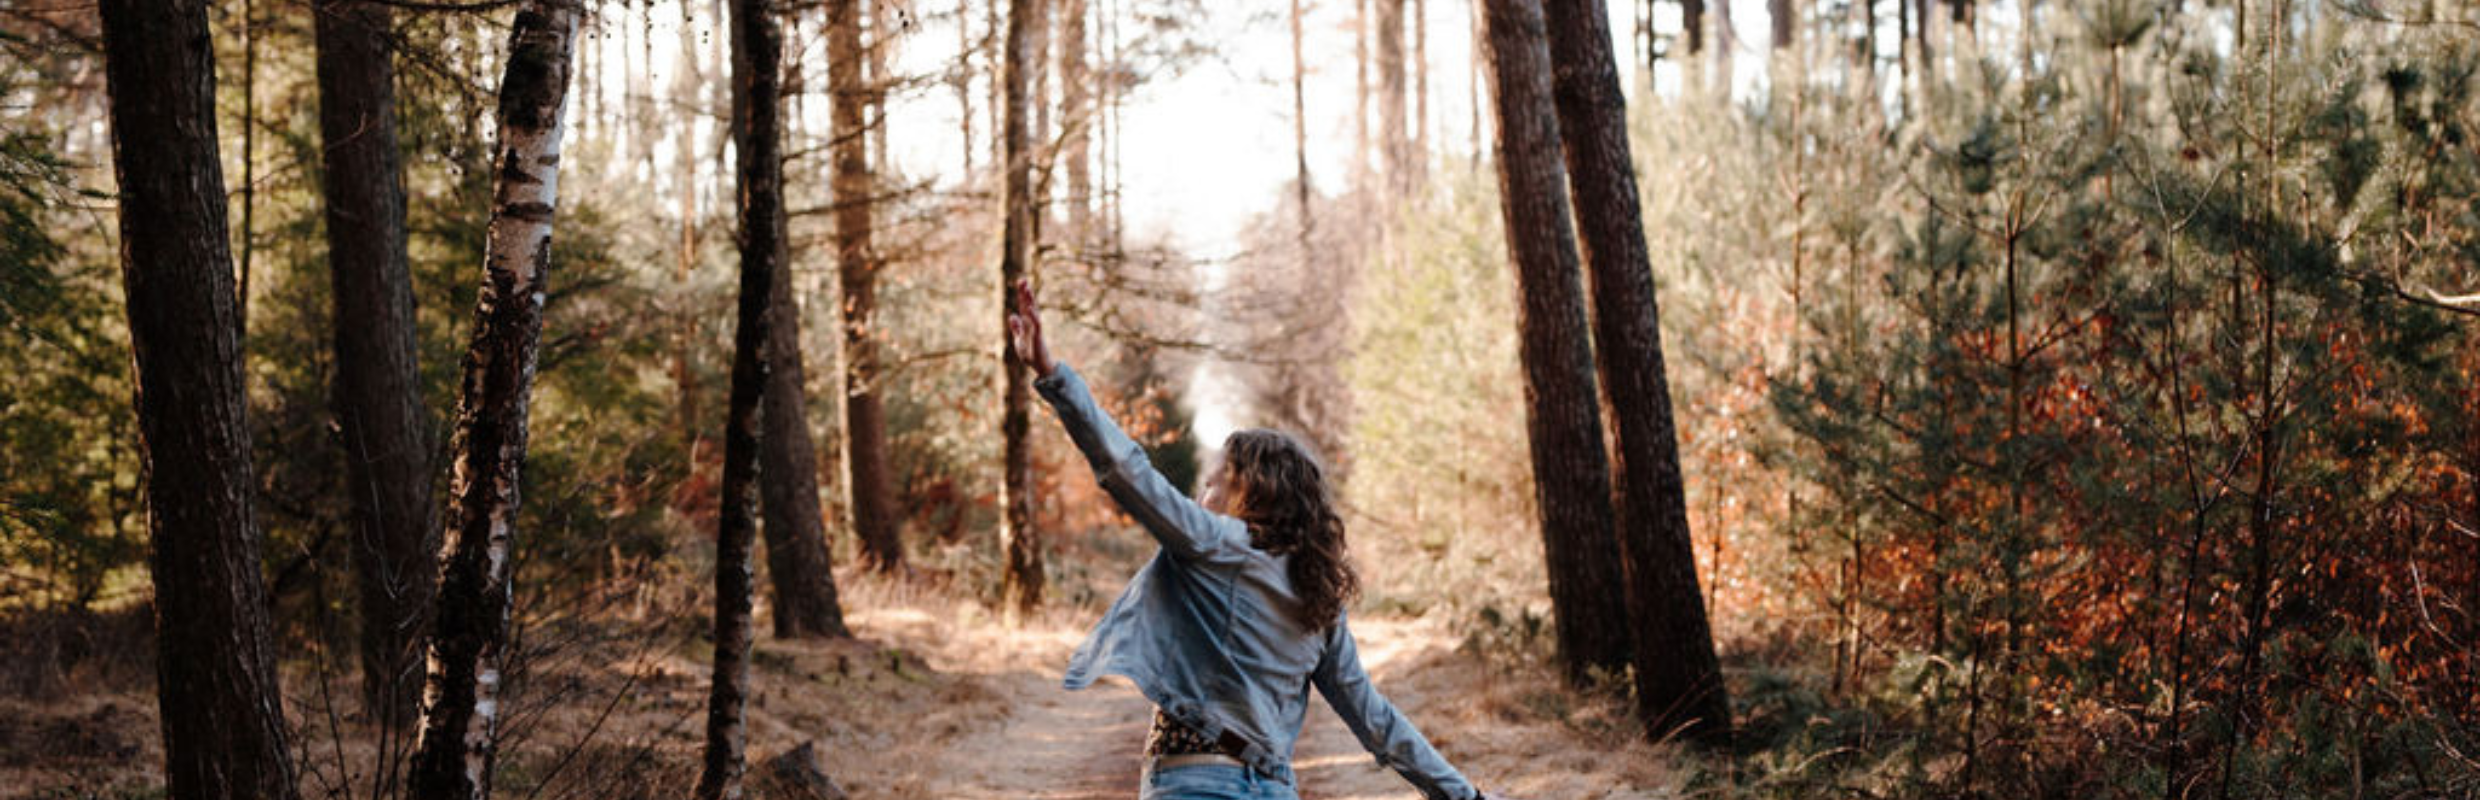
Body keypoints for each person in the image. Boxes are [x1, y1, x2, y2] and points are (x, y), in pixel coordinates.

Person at [1008, 282, 1514, 800]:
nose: (1204, 489)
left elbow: (1126, 469)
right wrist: (1465, 796)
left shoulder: (1217, 544)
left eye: (1216, 478)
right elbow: (1373, 718)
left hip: (1195, 784)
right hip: (1272, 787)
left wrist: (1053, 376)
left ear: (1250, 491)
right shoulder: (1320, 595)